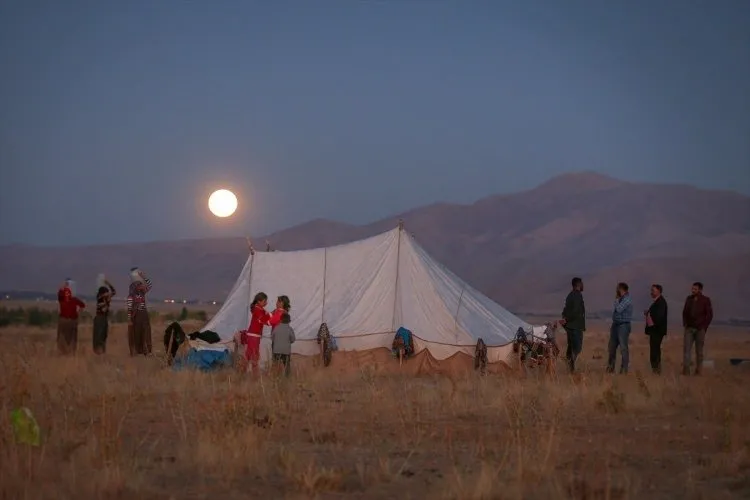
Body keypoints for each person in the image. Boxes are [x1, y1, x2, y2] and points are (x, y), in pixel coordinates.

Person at [682, 282, 713, 376]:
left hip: (700, 329)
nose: (693, 290)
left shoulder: (705, 300)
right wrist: (685, 324)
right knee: (686, 350)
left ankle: (698, 371)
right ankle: (686, 371)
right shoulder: (689, 299)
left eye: (695, 289)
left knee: (699, 351)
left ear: (700, 290)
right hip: (689, 328)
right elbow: (684, 312)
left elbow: (709, 315)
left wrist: (704, 327)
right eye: (692, 288)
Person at [560, 277, 586, 373]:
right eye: (582, 283)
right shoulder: (577, 295)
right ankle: (570, 366)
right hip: (575, 326)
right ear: (578, 285)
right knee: (577, 347)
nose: (583, 285)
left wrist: (564, 318)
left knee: (571, 346)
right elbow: (575, 311)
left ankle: (570, 367)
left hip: (570, 326)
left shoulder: (570, 295)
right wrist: (566, 319)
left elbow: (565, 309)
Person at [607, 282, 633, 374]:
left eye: (617, 289)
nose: (616, 290)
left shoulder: (627, 299)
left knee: (623, 348)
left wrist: (616, 300)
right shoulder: (621, 299)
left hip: (623, 326)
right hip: (616, 325)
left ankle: (624, 369)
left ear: (621, 289)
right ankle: (610, 368)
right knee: (611, 347)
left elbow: (619, 309)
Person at [126, 267, 153, 356]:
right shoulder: (131, 296)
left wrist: (143, 276)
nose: (141, 286)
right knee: (137, 333)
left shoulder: (142, 293)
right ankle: (138, 351)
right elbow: (129, 308)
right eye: (139, 285)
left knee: (146, 332)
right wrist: (129, 319)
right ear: (135, 287)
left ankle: (147, 351)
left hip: (144, 314)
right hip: (136, 316)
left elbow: (149, 285)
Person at [57, 279, 86, 355]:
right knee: (72, 338)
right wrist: (77, 312)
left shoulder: (62, 300)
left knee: (62, 337)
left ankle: (63, 352)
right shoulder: (74, 300)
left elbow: (60, 292)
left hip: (63, 320)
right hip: (72, 320)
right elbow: (83, 305)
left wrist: (64, 286)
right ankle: (71, 352)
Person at [644, 284, 668, 374]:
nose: (651, 292)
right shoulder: (656, 302)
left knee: (655, 351)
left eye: (653, 290)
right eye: (651, 290)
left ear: (659, 291)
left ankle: (656, 370)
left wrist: (650, 315)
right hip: (654, 330)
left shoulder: (661, 302)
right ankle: (656, 370)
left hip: (657, 330)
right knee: (654, 350)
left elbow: (659, 317)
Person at [244, 292, 270, 375]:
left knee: (250, 354)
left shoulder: (259, 309)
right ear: (259, 301)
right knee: (254, 354)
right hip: (254, 335)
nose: (266, 303)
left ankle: (243, 371)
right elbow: (263, 319)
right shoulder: (258, 310)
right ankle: (254, 373)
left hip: (254, 335)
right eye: (264, 301)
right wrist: (272, 315)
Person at [93, 277, 116, 354]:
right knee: (98, 335)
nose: (108, 294)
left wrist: (108, 283)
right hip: (99, 318)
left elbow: (114, 292)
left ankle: (102, 351)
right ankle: (97, 351)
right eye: (106, 293)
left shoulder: (105, 298)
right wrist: (107, 301)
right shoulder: (100, 298)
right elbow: (103, 309)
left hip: (104, 318)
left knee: (103, 335)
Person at [271, 313, 296, 377]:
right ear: (289, 321)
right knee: (287, 366)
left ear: (280, 320)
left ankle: (276, 378)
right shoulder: (290, 329)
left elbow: (272, 338)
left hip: (276, 350)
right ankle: (287, 379)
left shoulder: (276, 327)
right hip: (286, 351)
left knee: (276, 365)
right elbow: (293, 339)